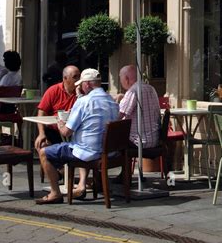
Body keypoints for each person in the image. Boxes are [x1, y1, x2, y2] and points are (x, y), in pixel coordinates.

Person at [36, 68, 119, 204]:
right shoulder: (112, 101)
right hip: (109, 152)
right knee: (81, 143)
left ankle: (55, 193)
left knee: (44, 152)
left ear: (87, 84)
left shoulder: (83, 102)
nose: (79, 86)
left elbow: (66, 133)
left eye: (81, 83)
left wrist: (60, 123)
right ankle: (80, 183)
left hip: (89, 153)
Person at [35, 65, 80, 151]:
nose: (78, 80)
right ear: (65, 78)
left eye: (79, 76)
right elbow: (41, 114)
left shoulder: (81, 92)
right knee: (43, 144)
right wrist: (41, 133)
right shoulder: (53, 90)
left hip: (75, 132)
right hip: (54, 131)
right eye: (75, 77)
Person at [117, 65, 161, 149]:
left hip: (140, 142)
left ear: (126, 79)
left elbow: (119, 116)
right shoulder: (151, 88)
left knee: (112, 142)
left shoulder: (133, 91)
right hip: (155, 140)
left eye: (120, 78)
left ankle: (122, 162)